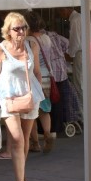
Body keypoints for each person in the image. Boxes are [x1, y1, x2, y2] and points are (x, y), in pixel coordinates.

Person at [0, 12, 44, 181]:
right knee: (16, 139)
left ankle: (21, 175)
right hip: (9, 97)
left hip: (29, 96)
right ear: (8, 31)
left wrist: (37, 90)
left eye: (23, 27)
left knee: (26, 138)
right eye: (17, 28)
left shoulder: (32, 46)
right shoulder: (1, 48)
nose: (21, 31)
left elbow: (37, 72)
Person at [25, 12, 55, 154]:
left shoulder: (29, 40)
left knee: (32, 112)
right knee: (45, 110)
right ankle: (48, 134)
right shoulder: (46, 38)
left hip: (35, 77)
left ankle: (35, 142)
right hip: (47, 76)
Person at [58, 6, 83, 105]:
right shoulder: (80, 17)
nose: (60, 15)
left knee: (80, 85)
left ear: (64, 9)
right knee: (83, 84)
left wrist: (69, 55)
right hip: (84, 53)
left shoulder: (75, 19)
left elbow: (75, 42)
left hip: (80, 54)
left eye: (60, 12)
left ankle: (83, 114)